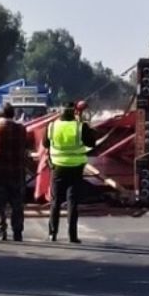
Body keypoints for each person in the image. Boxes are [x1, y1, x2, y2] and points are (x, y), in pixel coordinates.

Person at [45, 103, 97, 243]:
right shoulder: (80, 127)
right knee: (72, 201)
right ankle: (72, 236)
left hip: (57, 167)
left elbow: (45, 144)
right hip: (76, 168)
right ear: (74, 112)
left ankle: (52, 233)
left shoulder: (52, 126)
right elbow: (92, 143)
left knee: (55, 201)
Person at [0, 105, 31, 241]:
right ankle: (17, 232)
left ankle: (1, 231)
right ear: (13, 114)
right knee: (17, 204)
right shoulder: (21, 129)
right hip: (16, 171)